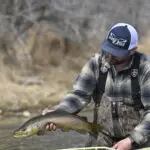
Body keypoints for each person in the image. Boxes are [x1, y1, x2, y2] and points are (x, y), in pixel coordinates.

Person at [42, 23, 150, 150]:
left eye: (117, 52)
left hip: (139, 142)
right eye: (109, 48)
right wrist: (58, 113)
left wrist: (132, 140)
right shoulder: (95, 63)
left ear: (133, 50)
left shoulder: (145, 68)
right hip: (101, 139)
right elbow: (78, 96)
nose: (110, 55)